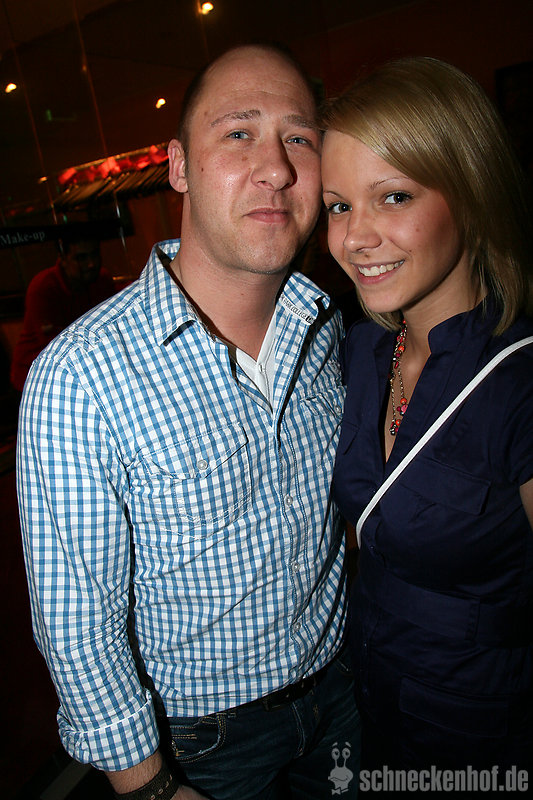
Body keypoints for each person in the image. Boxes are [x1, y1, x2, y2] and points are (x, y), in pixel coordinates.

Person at [17, 44, 360, 800]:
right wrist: (150, 788)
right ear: (178, 166)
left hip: (343, 694)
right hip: (203, 746)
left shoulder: (328, 326)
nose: (276, 168)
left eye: (298, 138)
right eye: (238, 132)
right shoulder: (82, 377)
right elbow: (79, 626)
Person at [321, 56, 533, 781]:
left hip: (483, 742)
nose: (354, 237)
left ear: (470, 193)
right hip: (370, 717)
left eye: (392, 196)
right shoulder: (359, 350)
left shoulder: (518, 383)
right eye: (338, 206)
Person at [10, 235, 115, 393]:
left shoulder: (102, 280)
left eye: (94, 254)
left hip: (78, 368)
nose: (91, 264)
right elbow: (55, 347)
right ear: (63, 259)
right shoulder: (44, 286)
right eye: (81, 258)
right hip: (34, 376)